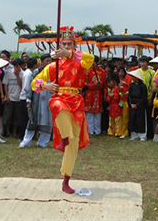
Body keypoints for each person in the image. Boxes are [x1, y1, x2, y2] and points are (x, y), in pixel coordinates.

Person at [31, 26, 93, 194]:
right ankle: (64, 137)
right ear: (59, 46)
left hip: (77, 102)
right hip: (59, 98)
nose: (66, 47)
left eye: (69, 44)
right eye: (64, 44)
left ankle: (66, 180)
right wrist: (46, 85)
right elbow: (34, 82)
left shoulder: (82, 62)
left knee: (73, 143)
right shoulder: (52, 66)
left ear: (74, 46)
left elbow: (91, 58)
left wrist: (71, 55)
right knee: (58, 107)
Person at [20, 55, 52, 148]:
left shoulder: (54, 72)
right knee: (32, 121)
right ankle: (26, 142)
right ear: (41, 62)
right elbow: (31, 87)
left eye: (50, 61)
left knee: (47, 122)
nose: (49, 63)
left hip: (48, 100)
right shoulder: (36, 72)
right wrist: (29, 100)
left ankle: (42, 142)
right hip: (36, 101)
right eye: (47, 61)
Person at [3, 58, 25, 138]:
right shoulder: (8, 72)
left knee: (17, 116)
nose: (17, 68)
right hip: (10, 97)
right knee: (7, 116)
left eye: (19, 66)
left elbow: (22, 85)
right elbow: (5, 84)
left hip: (19, 98)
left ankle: (15, 133)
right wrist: (7, 96)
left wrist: (18, 76)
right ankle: (8, 132)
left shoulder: (23, 74)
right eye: (16, 66)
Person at [84, 56, 106, 135]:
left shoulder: (102, 72)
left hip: (98, 93)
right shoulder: (87, 72)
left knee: (98, 113)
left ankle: (97, 130)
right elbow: (85, 83)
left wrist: (104, 93)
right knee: (89, 112)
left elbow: (105, 84)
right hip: (90, 93)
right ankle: (90, 130)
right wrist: (93, 84)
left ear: (96, 63)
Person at [127, 69, 148, 141]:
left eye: (134, 76)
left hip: (140, 105)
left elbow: (144, 97)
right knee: (133, 119)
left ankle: (142, 135)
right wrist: (131, 104)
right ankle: (134, 134)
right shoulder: (132, 85)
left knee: (141, 120)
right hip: (133, 103)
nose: (133, 78)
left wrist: (138, 105)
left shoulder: (143, 86)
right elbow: (129, 95)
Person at [106, 73, 124, 137]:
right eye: (108, 83)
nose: (109, 84)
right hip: (111, 107)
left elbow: (120, 96)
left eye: (110, 82)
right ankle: (111, 132)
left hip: (117, 106)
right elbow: (108, 99)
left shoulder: (117, 88)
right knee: (111, 121)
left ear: (113, 81)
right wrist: (109, 96)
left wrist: (113, 95)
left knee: (117, 120)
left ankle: (118, 132)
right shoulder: (109, 90)